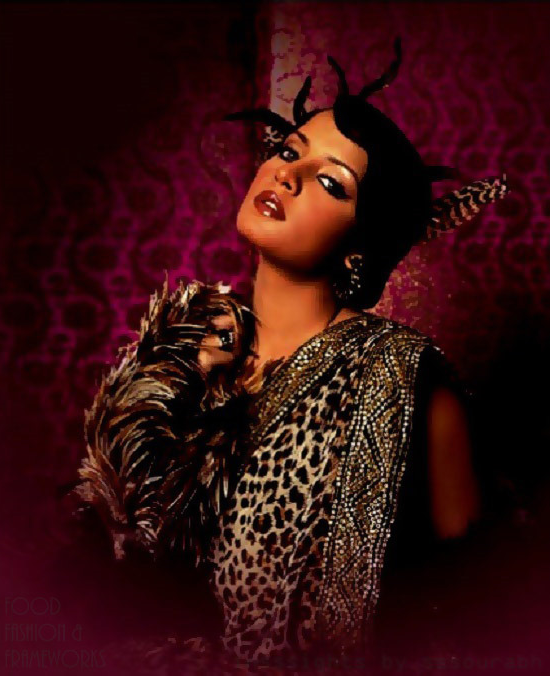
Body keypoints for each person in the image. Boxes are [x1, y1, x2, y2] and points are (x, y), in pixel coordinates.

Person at [69, 37, 510, 675]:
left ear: (361, 245)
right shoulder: (176, 351)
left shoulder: (407, 381)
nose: (287, 175)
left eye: (330, 182)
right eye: (287, 151)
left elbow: (475, 616)